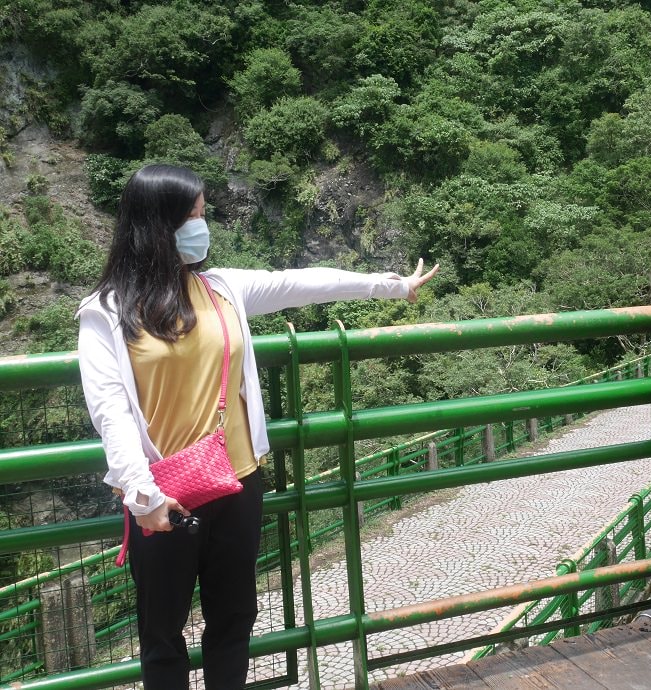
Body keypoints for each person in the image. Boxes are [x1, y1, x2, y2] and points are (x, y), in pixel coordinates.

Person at [77, 163, 438, 689]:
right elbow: (109, 412)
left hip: (237, 483)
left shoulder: (221, 288)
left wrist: (393, 286)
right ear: (157, 226)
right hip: (163, 500)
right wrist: (143, 495)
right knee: (162, 636)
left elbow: (302, 284)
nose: (204, 227)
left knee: (233, 622)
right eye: (194, 217)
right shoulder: (105, 313)